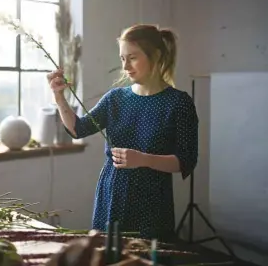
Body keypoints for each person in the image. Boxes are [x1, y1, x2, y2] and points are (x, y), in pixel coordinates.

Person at [47, 24, 199, 242]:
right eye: (122, 58)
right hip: (112, 193)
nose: (125, 66)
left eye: (133, 58)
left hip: (152, 201)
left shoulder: (178, 103)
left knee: (145, 258)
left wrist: (143, 159)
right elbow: (77, 129)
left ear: (155, 55)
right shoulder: (115, 98)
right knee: (107, 255)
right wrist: (59, 97)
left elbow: (186, 160)